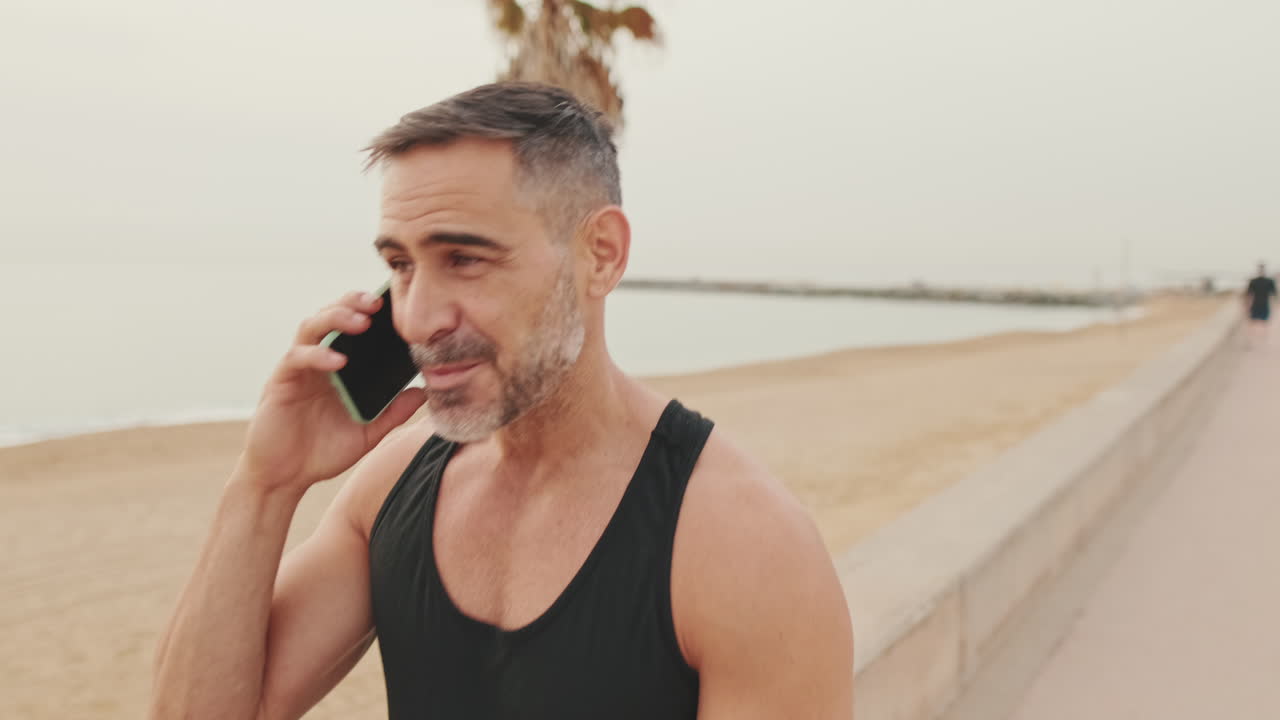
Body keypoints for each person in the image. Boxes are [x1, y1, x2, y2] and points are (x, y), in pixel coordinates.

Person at [150, 82, 854, 719]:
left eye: (464, 259)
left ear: (600, 254)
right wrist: (265, 483)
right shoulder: (392, 486)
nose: (417, 317)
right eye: (400, 264)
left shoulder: (743, 544)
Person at [1244, 262, 1277, 347]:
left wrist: (1247, 306)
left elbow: (1249, 295)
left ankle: (1257, 341)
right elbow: (1274, 295)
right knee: (1259, 324)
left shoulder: (1256, 281)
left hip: (1260, 304)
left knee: (1261, 324)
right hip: (1260, 304)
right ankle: (1255, 341)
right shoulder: (1268, 281)